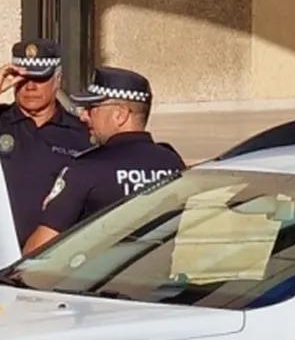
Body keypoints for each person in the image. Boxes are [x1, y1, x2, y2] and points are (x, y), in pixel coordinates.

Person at [23, 65, 185, 255]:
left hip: (97, 274)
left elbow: (38, 251)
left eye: (92, 108)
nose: (83, 116)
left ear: (120, 114)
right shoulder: (172, 163)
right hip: (155, 274)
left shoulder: (86, 169)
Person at [0, 38, 92, 246]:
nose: (30, 86)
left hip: (60, 253)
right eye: (22, 79)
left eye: (39, 79)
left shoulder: (80, 132)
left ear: (57, 80)